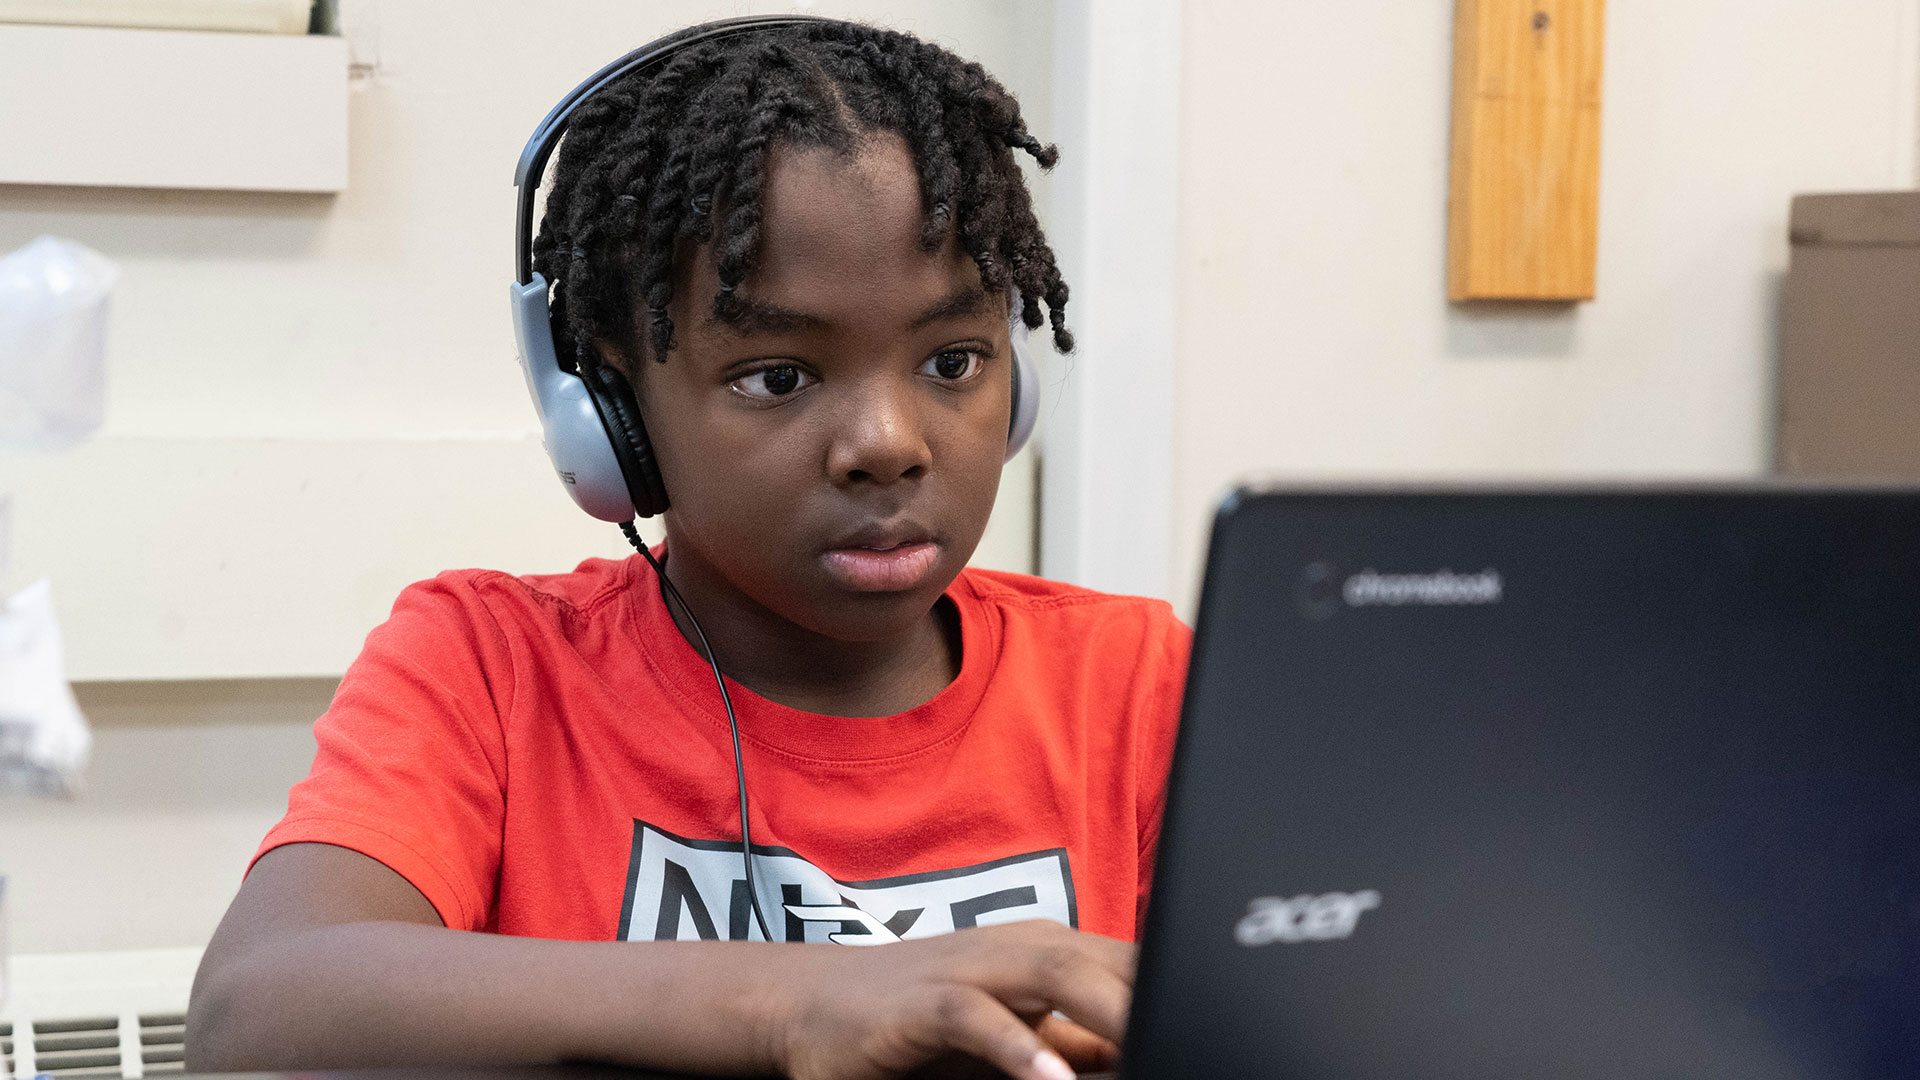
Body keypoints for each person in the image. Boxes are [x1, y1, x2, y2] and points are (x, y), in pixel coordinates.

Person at [186, 17, 1188, 1080]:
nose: (888, 446)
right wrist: (798, 1003)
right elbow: (260, 1009)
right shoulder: (490, 671)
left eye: (952, 361)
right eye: (777, 377)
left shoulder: (1136, 683)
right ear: (608, 410)